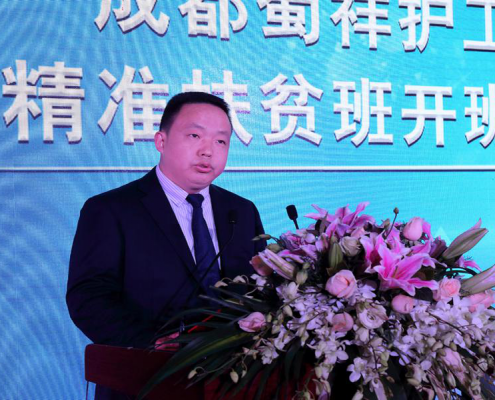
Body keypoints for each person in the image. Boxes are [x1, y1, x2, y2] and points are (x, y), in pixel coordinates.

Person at [66, 92, 266, 399]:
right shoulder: (111, 210)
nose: (208, 151)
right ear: (161, 141)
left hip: (231, 382)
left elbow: (260, 290)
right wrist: (151, 343)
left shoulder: (241, 211)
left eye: (221, 141)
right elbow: (88, 297)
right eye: (195, 135)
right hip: (143, 382)